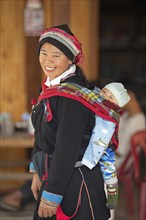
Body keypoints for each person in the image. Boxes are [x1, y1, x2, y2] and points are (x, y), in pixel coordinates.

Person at [29, 24, 111, 220]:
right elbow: (41, 135)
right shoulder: (51, 88)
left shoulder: (71, 97)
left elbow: (67, 148)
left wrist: (51, 197)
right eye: (44, 53)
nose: (48, 60)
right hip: (54, 175)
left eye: (56, 55)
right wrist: (36, 173)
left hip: (77, 183)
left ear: (69, 59)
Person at [81, 82, 130, 210]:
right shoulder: (96, 102)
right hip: (94, 140)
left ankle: (112, 189)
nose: (105, 96)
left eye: (110, 96)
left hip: (105, 145)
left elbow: (101, 138)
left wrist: (90, 158)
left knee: (108, 167)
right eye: (104, 92)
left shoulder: (109, 115)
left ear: (117, 104)